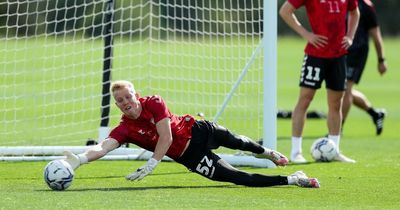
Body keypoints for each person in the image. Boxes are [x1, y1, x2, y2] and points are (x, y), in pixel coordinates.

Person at [62, 80, 320, 188]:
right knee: (237, 178)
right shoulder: (124, 128)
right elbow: (104, 146)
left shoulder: (154, 102)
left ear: (135, 95)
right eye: (120, 100)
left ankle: (267, 152)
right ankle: (294, 179)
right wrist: (81, 159)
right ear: (116, 104)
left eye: (128, 96)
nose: (125, 102)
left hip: (197, 130)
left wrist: (152, 164)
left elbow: (166, 137)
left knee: (239, 141)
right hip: (191, 157)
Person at [279, 0, 360, 164]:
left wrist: (350, 36)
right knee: (305, 100)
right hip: (315, 56)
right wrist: (306, 34)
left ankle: (334, 150)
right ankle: (296, 152)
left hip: (338, 56)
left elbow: (355, 12)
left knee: (336, 103)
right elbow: (285, 11)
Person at [342, 0, 387, 136]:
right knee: (341, 89)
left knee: (346, 90)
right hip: (340, 51)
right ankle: (375, 114)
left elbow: (376, 34)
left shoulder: (366, 6)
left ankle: (337, 130)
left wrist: (381, 59)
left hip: (357, 52)